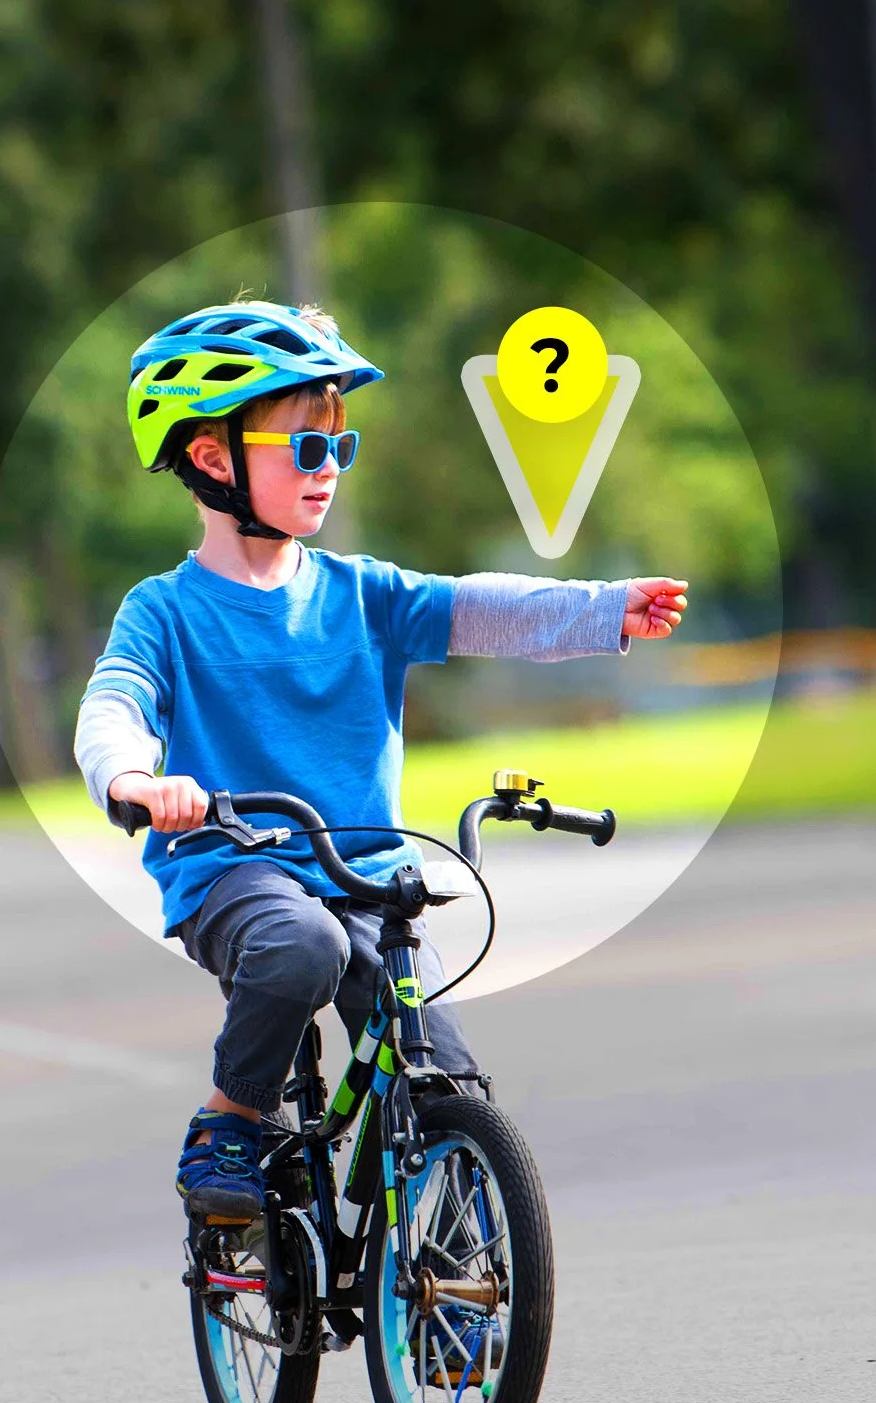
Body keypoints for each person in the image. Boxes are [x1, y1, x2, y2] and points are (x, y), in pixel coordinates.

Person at [73, 301, 689, 1225]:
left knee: (445, 1072)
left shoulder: (364, 593)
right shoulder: (163, 612)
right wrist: (133, 780)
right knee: (300, 948)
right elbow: (110, 706)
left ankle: (452, 1301)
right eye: (307, 447)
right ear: (212, 458)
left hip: (364, 870)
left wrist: (606, 609)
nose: (330, 469)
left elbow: (487, 608)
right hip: (235, 870)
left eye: (340, 447)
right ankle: (231, 1119)